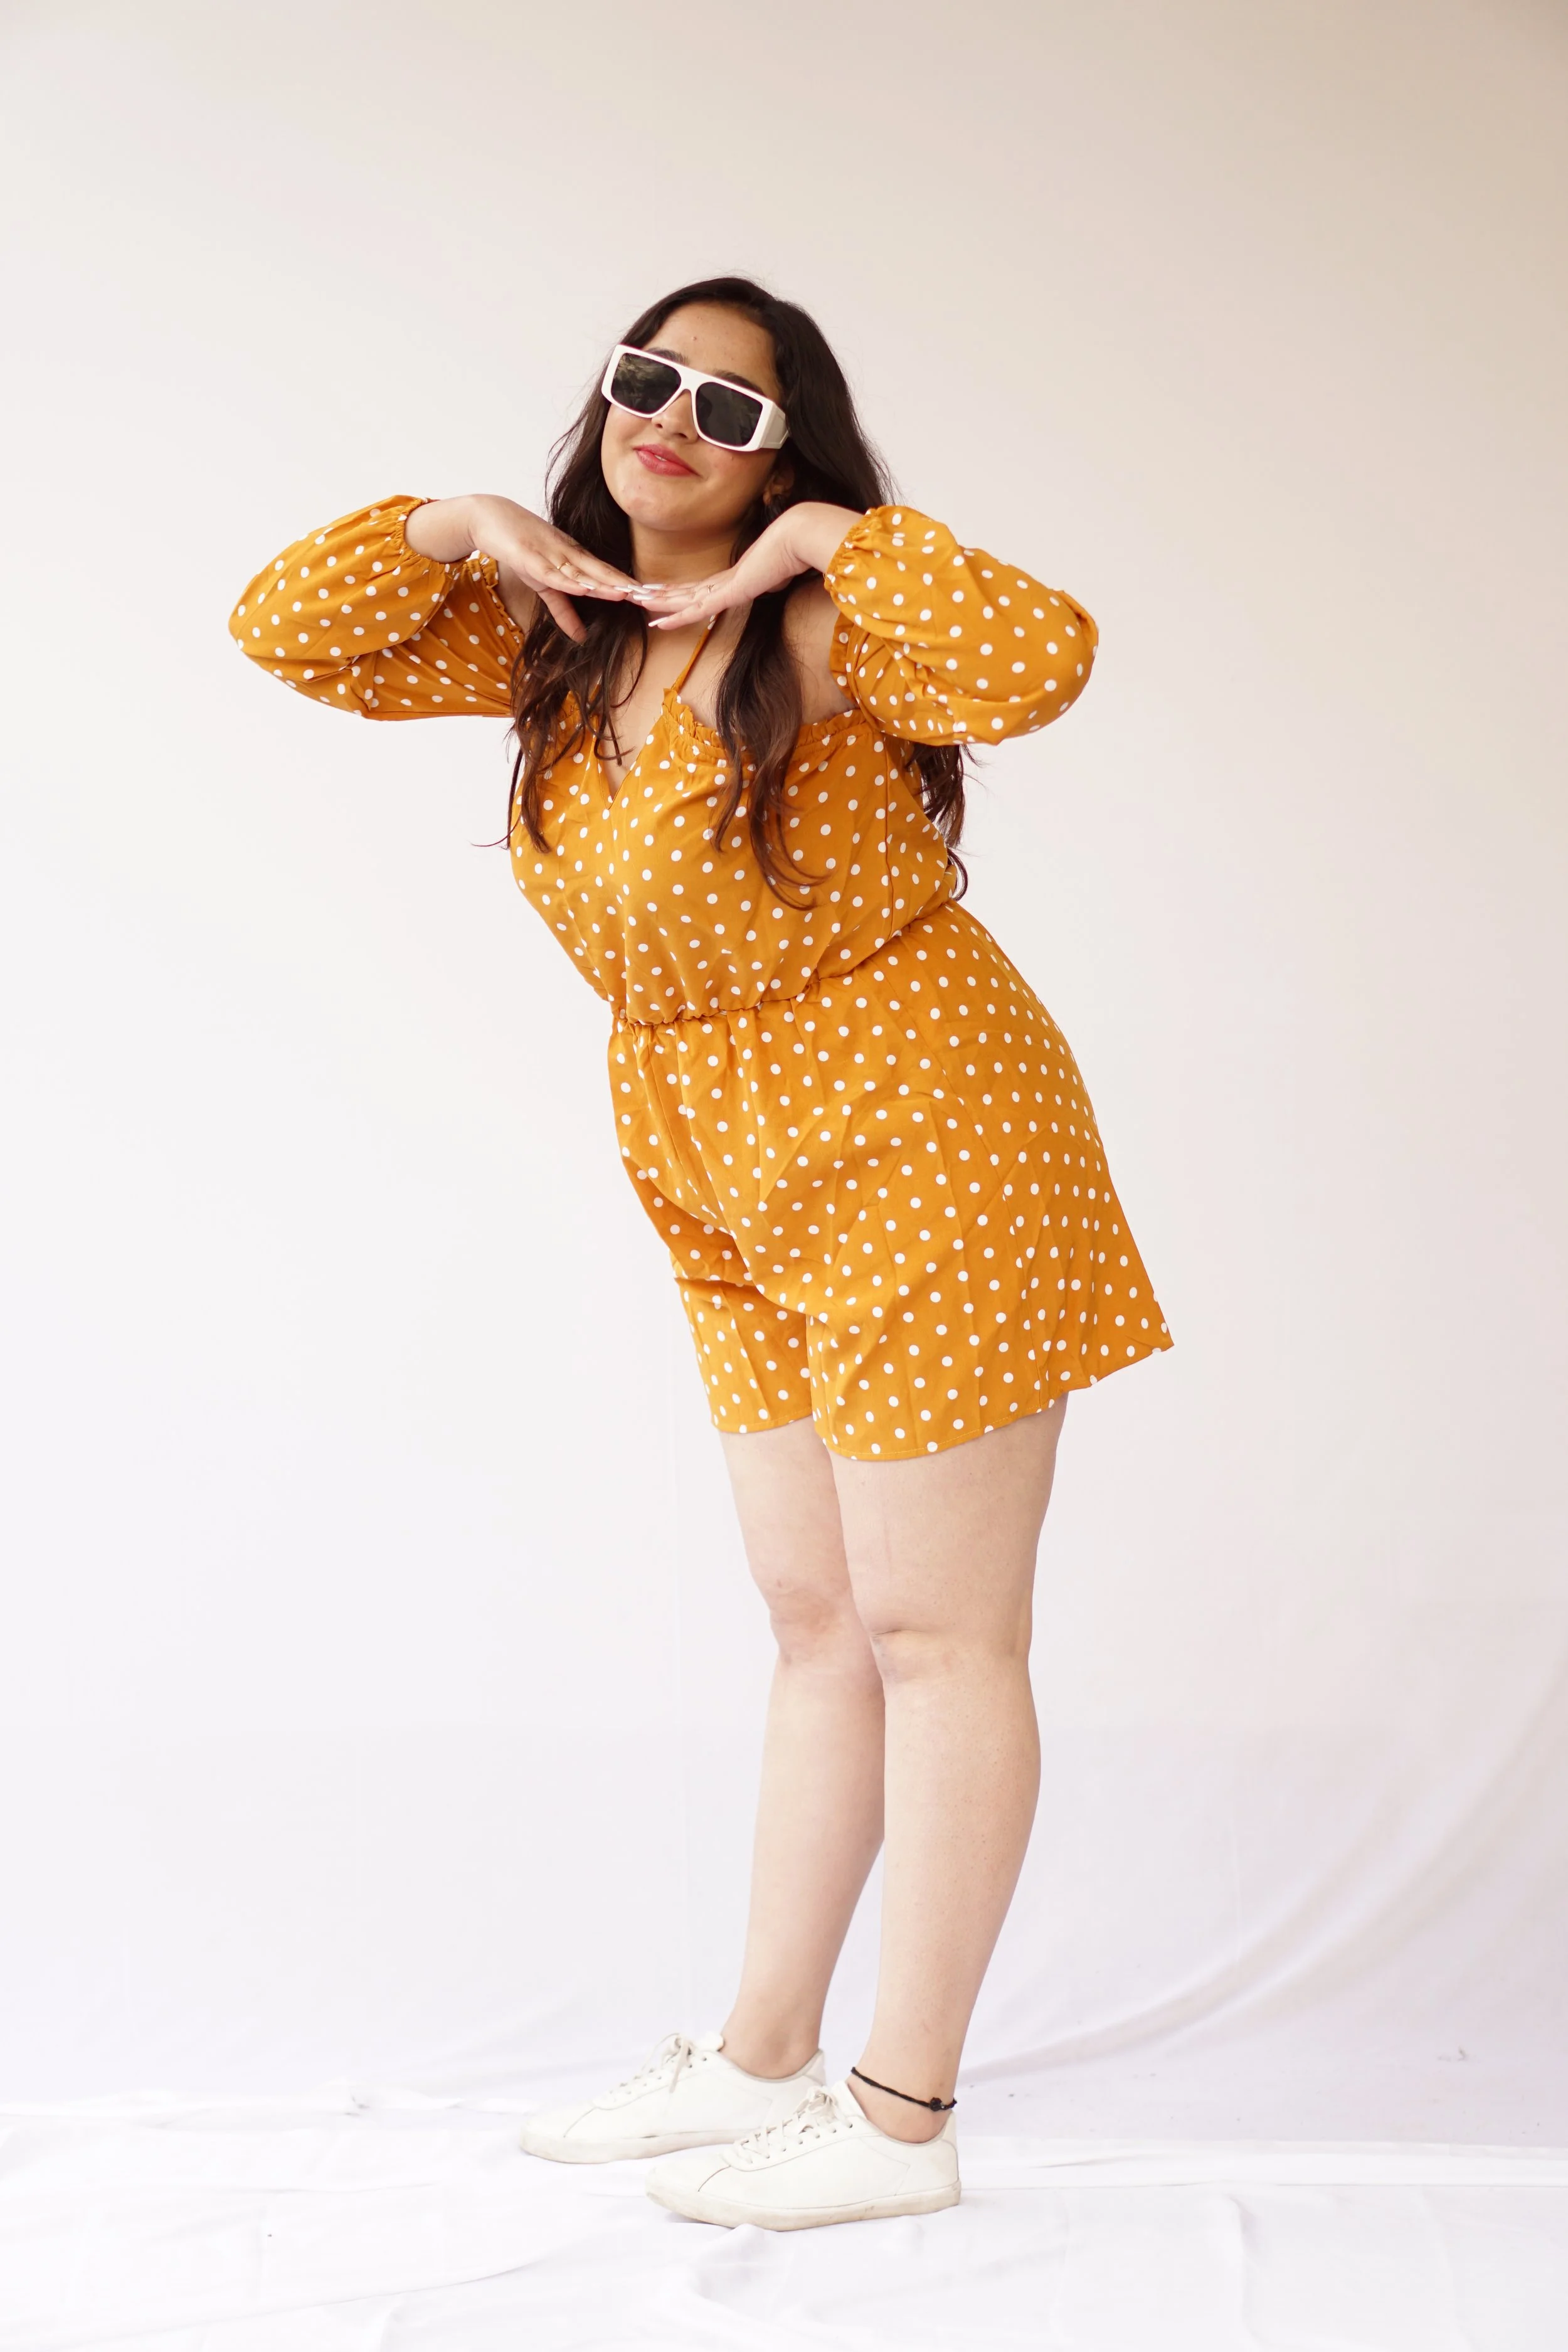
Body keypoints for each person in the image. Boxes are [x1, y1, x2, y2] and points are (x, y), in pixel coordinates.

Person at [229, 273, 1170, 2232]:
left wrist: (841, 535)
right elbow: (282, 629)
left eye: (734, 411)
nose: (674, 420)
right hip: (713, 1157)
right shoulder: (556, 636)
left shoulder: (826, 615)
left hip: (920, 1125)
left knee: (938, 1634)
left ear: (782, 452)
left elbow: (1038, 662)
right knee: (817, 1624)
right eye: (644, 379)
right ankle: (758, 2059)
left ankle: (901, 2118)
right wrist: (454, 522)